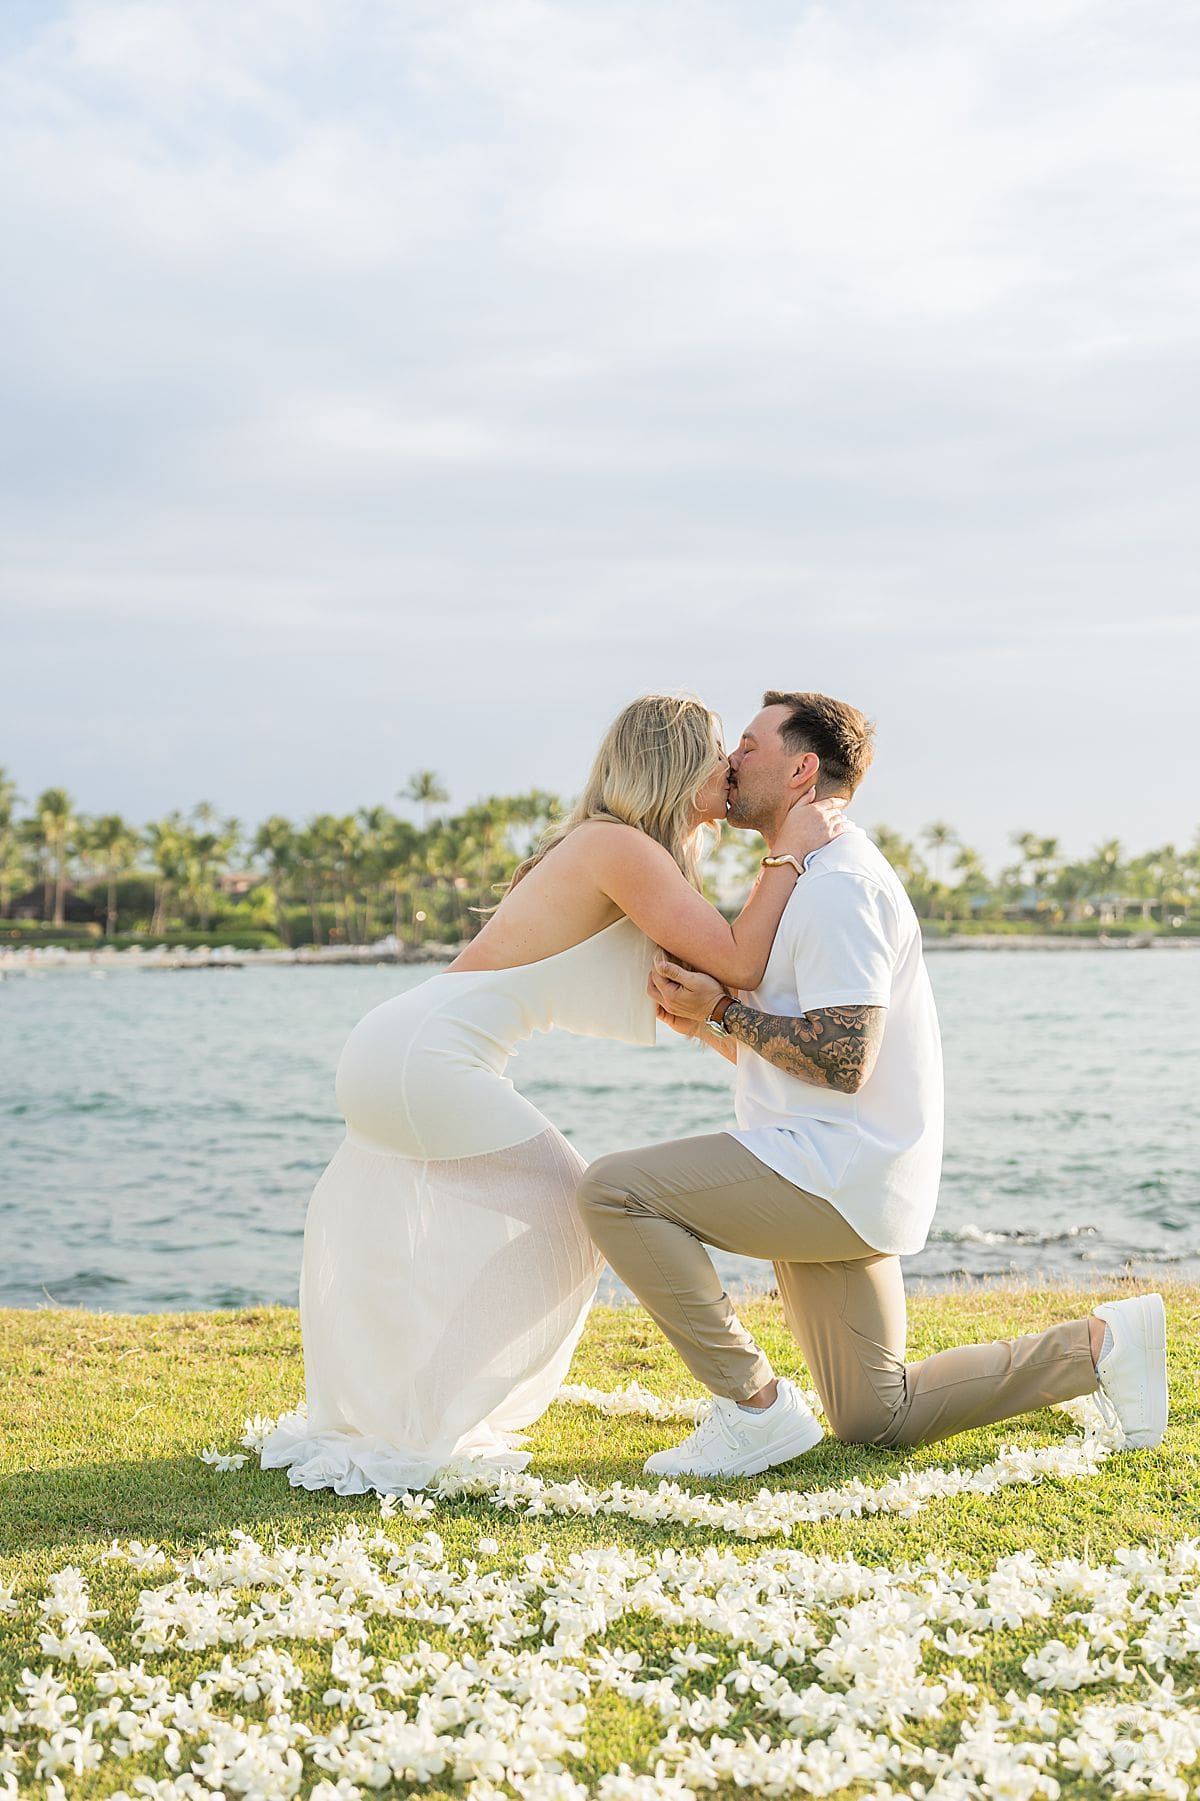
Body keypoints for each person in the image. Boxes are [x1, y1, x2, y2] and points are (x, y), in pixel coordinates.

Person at [575, 691, 1169, 1477]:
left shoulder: (838, 885)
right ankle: (1106, 1344)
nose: (728, 761)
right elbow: (803, 1058)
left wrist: (723, 1007)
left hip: (832, 1169)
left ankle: (751, 1409)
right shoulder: (805, 874)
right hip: (834, 1165)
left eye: (748, 745)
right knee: (873, 1414)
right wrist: (712, 1024)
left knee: (612, 1191)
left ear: (801, 768)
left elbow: (842, 1059)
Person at [261, 693, 843, 1494]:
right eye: (719, 749)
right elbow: (739, 963)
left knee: (561, 1220)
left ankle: (428, 1401)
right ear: (675, 761)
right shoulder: (621, 849)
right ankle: (439, 1408)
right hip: (425, 1056)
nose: (731, 766)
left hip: (402, 1048)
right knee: (579, 1214)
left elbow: (697, 1010)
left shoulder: (620, 856)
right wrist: (791, 854)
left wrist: (809, 1083)